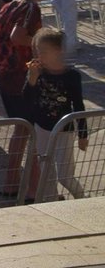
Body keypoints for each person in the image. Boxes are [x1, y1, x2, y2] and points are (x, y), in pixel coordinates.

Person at [0, 0, 47, 199]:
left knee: (21, 129)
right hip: (22, 75)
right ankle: (33, 189)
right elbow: (17, 36)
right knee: (34, 131)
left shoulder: (7, 6)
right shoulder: (31, 8)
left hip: (4, 73)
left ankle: (11, 183)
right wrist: (42, 42)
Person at [24, 27, 88, 202]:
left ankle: (83, 199)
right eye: (37, 51)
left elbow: (79, 106)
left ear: (59, 51)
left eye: (44, 52)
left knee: (65, 175)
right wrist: (32, 79)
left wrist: (83, 135)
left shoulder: (72, 76)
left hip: (64, 130)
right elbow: (26, 99)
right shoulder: (37, 72)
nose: (39, 56)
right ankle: (52, 202)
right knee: (46, 173)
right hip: (41, 128)